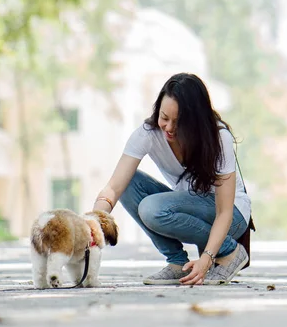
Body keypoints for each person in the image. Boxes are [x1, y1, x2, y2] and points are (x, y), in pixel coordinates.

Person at [92, 73, 251, 286]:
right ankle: (177, 263)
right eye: (164, 117)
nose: (168, 127)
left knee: (153, 208)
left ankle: (230, 252)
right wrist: (92, 224)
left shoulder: (219, 138)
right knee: (129, 182)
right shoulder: (148, 134)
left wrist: (207, 259)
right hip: (189, 209)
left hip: (232, 216)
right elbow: (113, 187)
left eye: (178, 122)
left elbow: (225, 212)